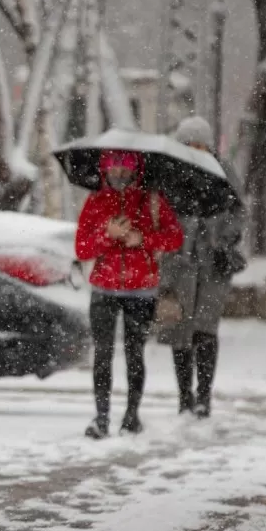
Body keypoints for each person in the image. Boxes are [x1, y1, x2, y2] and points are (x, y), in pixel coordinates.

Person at [74, 149, 184, 439]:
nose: (119, 172)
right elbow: (82, 248)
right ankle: (101, 418)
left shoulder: (151, 200)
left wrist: (142, 239)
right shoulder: (95, 201)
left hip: (141, 290)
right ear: (103, 167)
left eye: (126, 165)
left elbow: (175, 237)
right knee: (103, 355)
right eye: (113, 165)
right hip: (103, 289)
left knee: (135, 354)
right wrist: (106, 235)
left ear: (138, 167)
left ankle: (131, 417)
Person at [159, 116, 246, 418]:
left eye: (200, 144)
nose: (195, 149)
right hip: (178, 262)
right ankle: (185, 395)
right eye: (189, 144)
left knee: (205, 329)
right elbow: (159, 215)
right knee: (179, 329)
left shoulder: (223, 173)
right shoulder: (169, 176)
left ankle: (203, 397)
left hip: (213, 263)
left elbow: (237, 212)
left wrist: (222, 239)